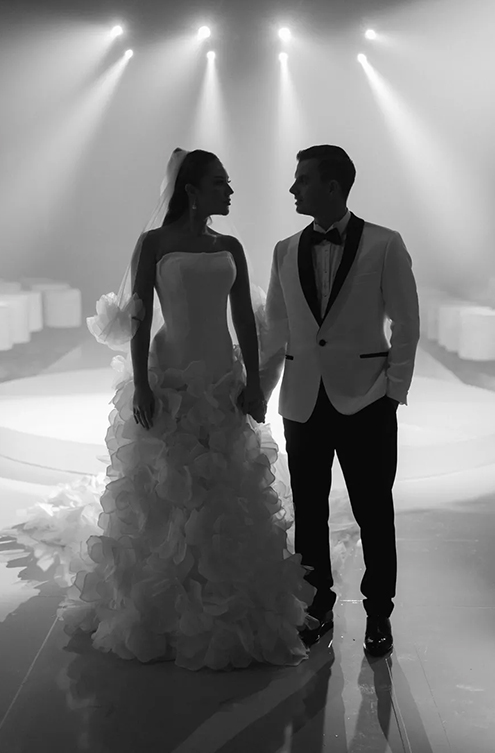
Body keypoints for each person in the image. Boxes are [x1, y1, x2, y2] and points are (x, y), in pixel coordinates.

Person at [11, 148, 317, 671]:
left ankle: (223, 602)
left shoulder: (231, 246)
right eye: (220, 183)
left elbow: (245, 318)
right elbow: (139, 316)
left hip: (221, 378)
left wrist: (253, 383)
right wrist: (142, 385)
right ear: (192, 190)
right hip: (170, 376)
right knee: (167, 487)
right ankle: (165, 607)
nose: (230, 191)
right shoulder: (154, 243)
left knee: (224, 488)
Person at [260, 145, 420, 656]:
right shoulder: (285, 249)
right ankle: (317, 606)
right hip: (303, 401)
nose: (293, 188)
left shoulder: (385, 244)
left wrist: (393, 391)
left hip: (368, 399)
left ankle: (379, 613)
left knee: (374, 512)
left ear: (333, 186)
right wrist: (259, 391)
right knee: (309, 512)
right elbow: (275, 329)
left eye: (303, 179)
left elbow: (407, 323)